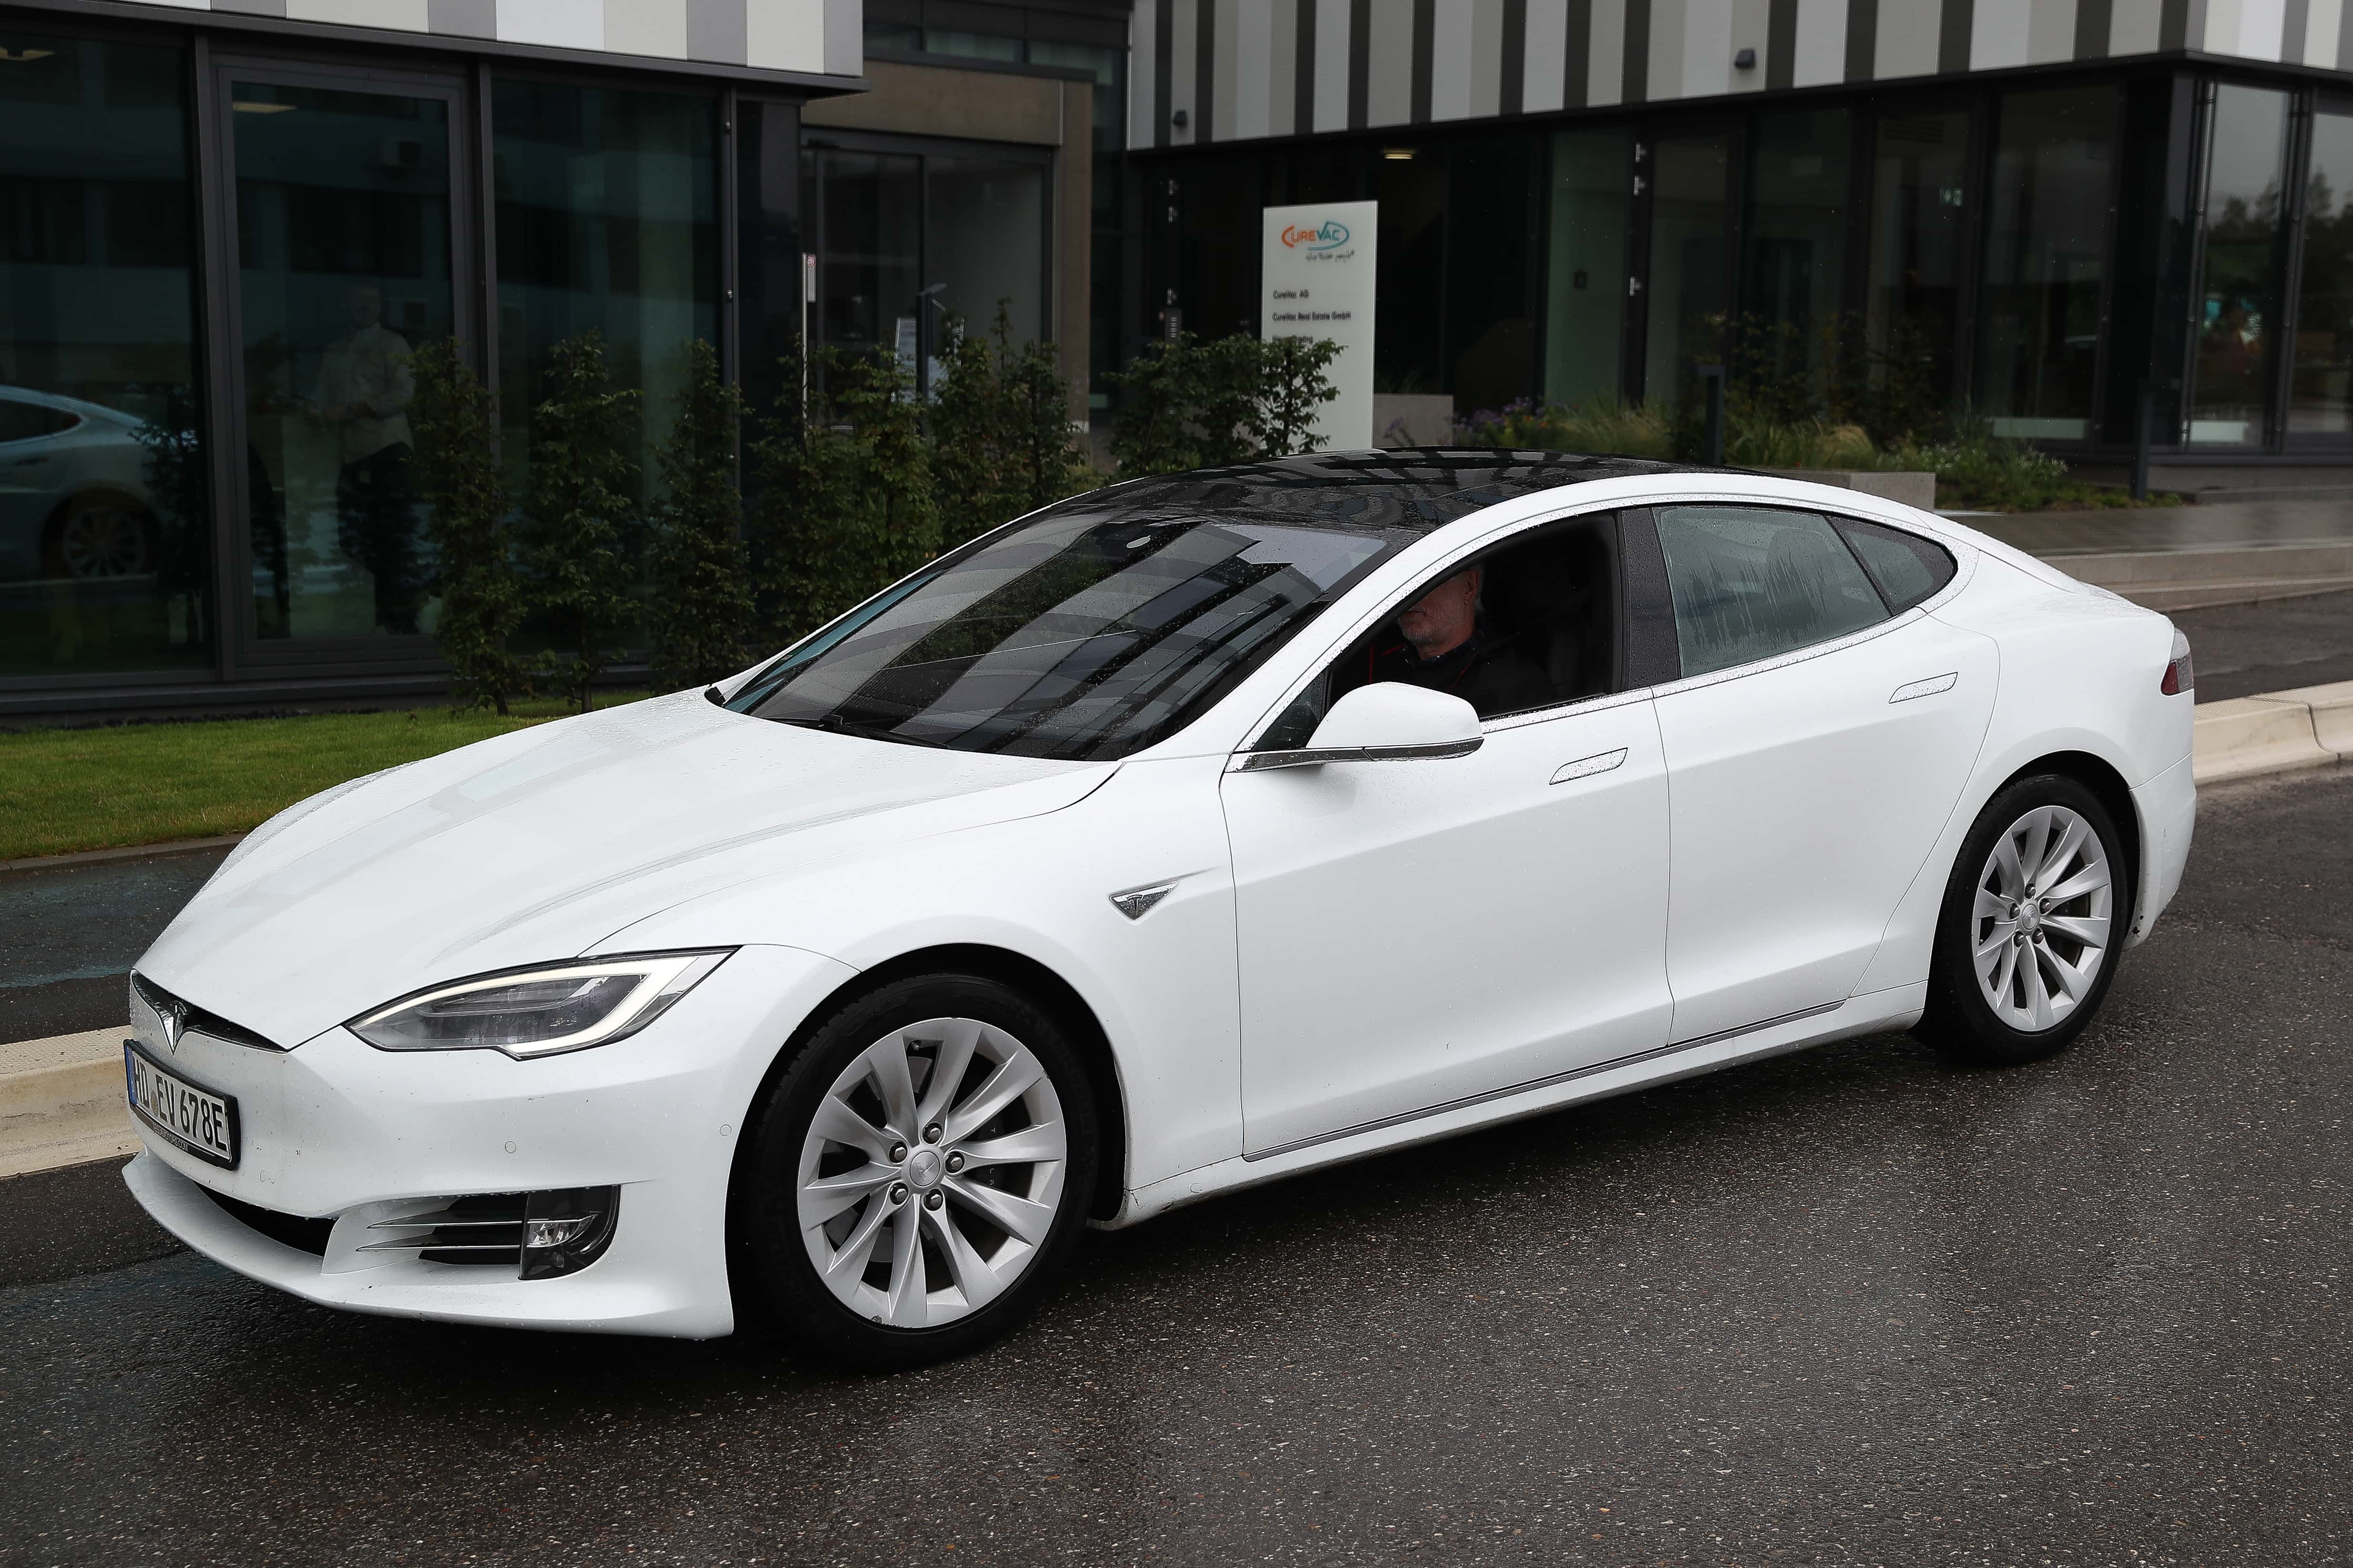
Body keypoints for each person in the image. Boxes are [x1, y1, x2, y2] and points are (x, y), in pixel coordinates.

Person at [314, 285, 423, 634]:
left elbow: (404, 394)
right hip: (351, 457)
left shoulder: (393, 345)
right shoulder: (335, 350)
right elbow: (322, 401)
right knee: (355, 541)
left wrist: (352, 410)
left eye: (373, 300)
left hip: (388, 452)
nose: (365, 306)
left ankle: (401, 621)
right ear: (347, 303)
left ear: (381, 305)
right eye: (358, 299)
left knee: (394, 539)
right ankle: (375, 615)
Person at [1350, 565, 1553, 718]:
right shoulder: (1361, 653)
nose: (1408, 595)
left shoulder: (1517, 686)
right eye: (1402, 581)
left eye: (1424, 580)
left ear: (1468, 586)